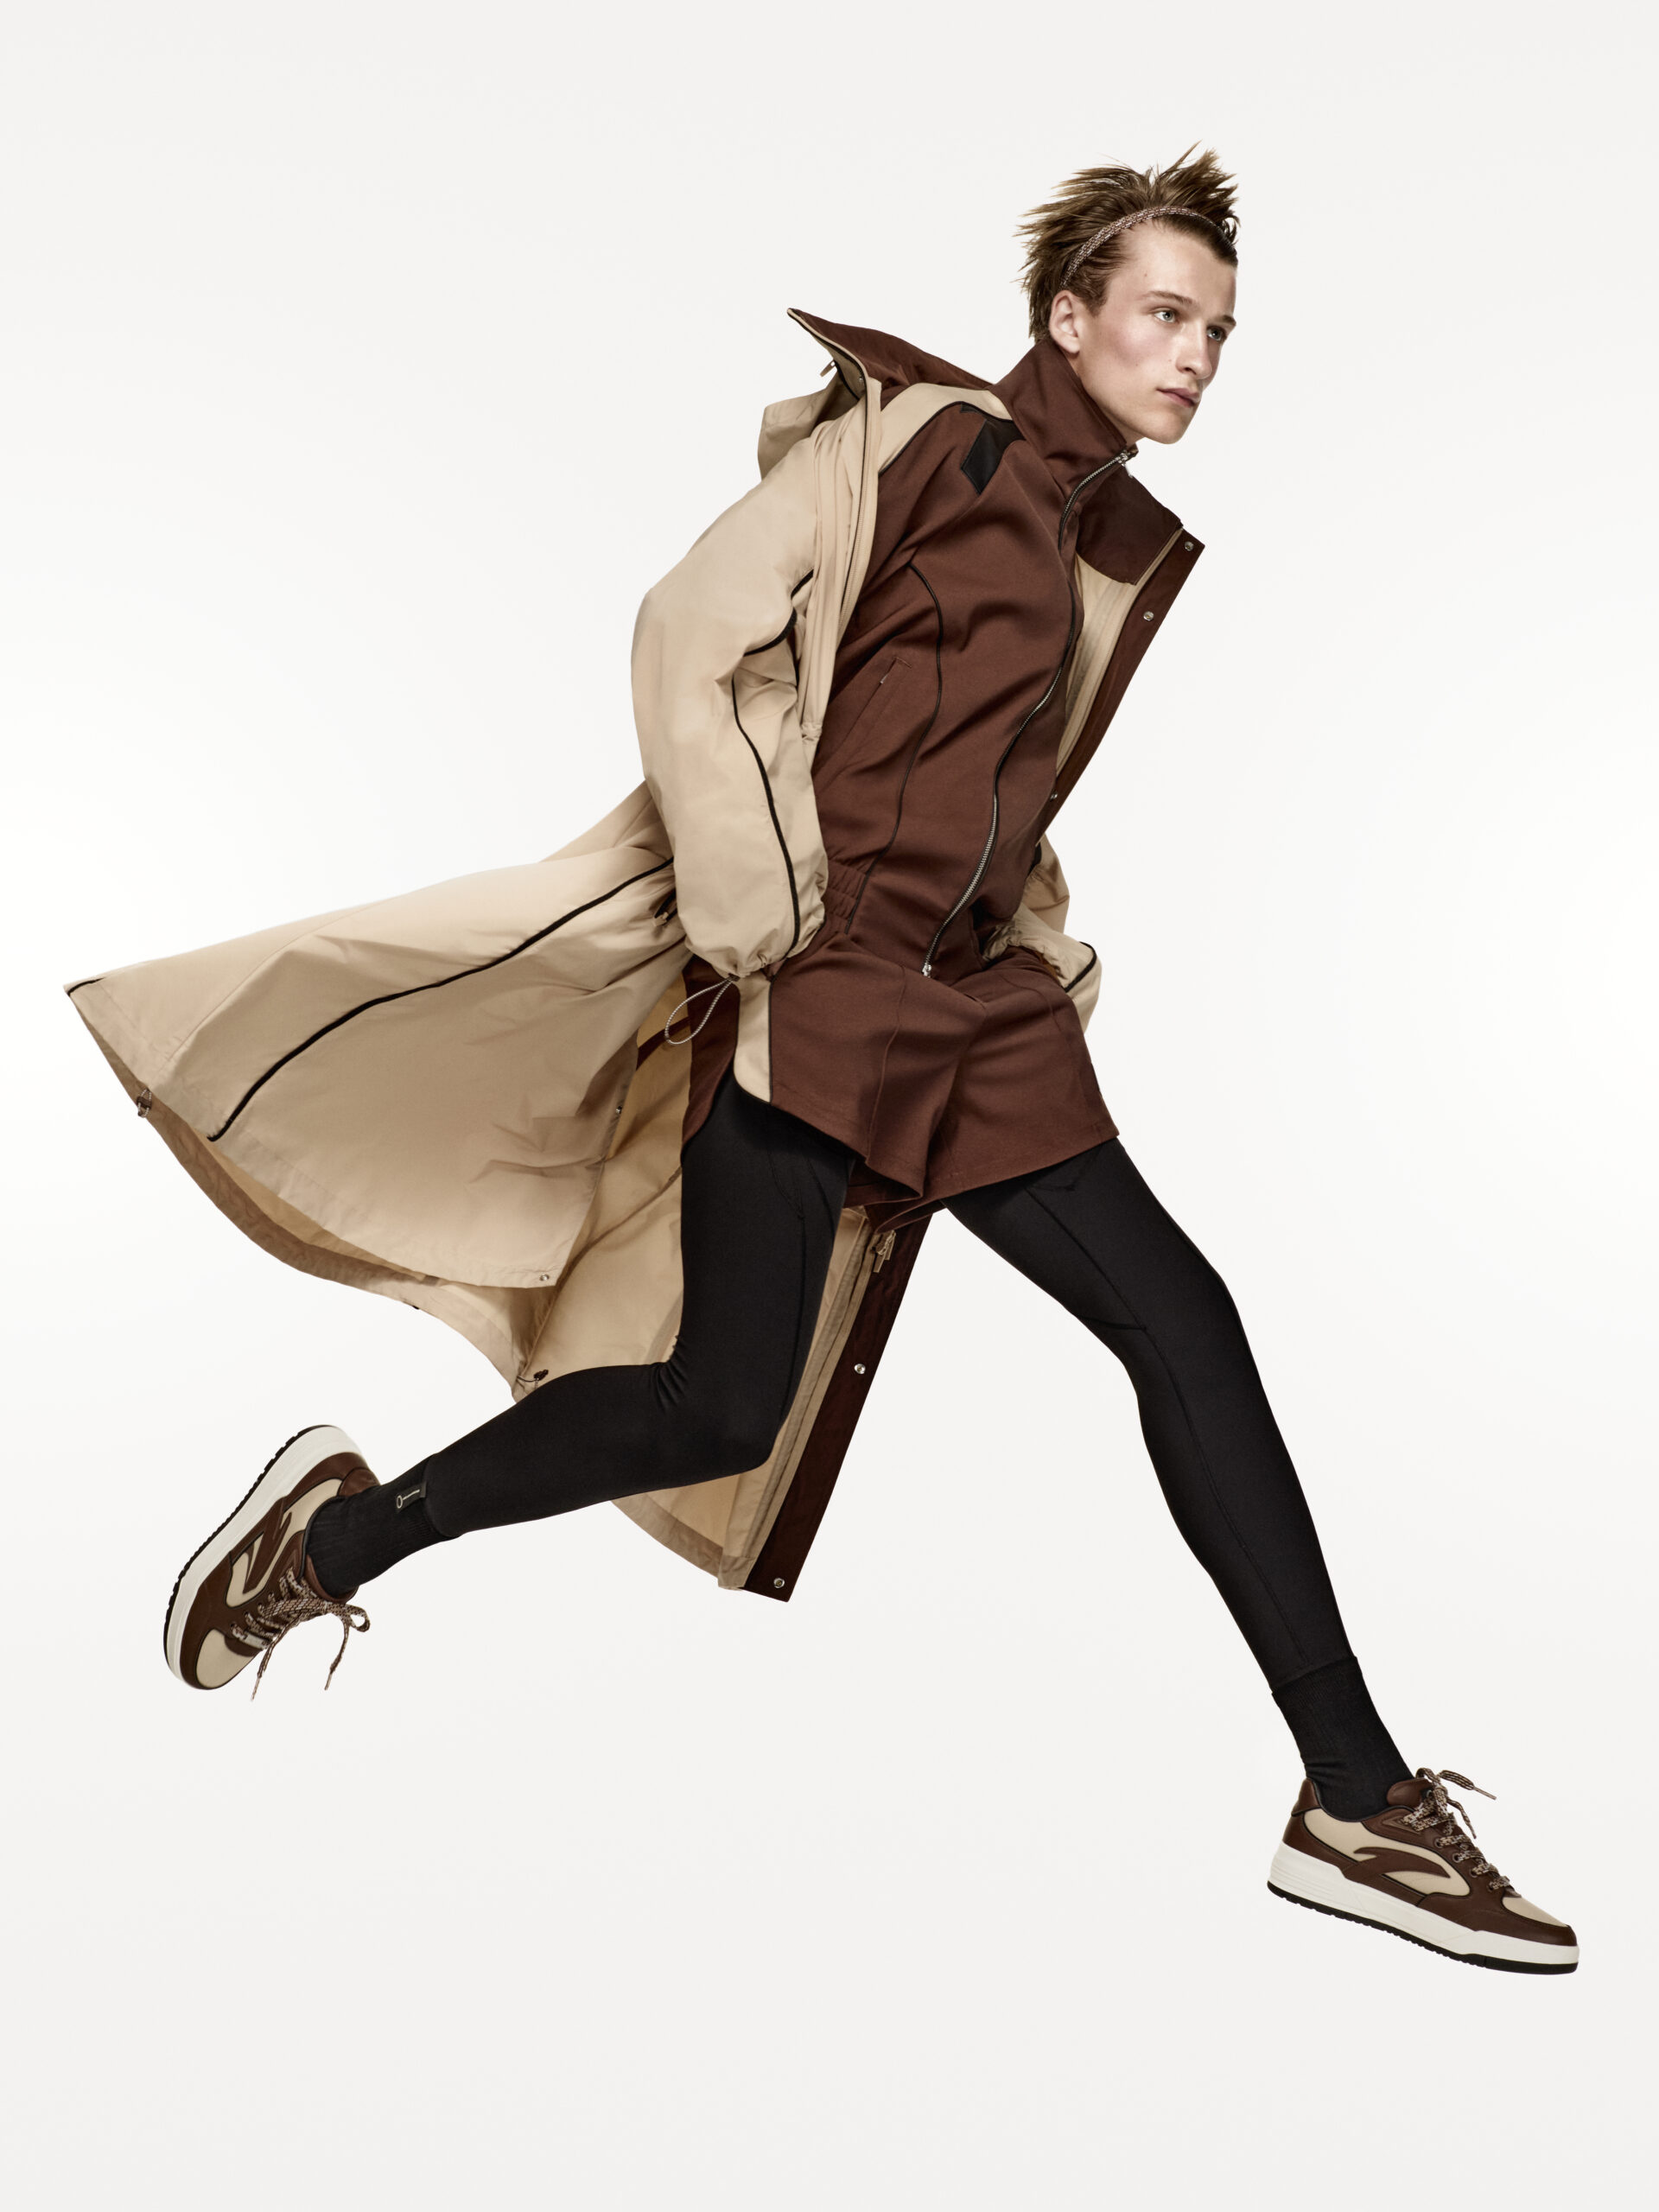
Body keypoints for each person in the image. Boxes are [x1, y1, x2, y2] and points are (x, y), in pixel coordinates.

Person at [79, 151, 1576, 1973]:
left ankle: (1355, 1795)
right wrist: (752, 899)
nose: (1195, 357)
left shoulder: (1092, 526)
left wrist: (1023, 920)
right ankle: (333, 1546)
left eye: (1220, 332)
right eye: (1165, 316)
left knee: (1182, 1326)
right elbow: (690, 631)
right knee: (721, 1405)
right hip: (821, 988)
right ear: (1069, 317)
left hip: (973, 1011)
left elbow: (975, 775)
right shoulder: (929, 445)